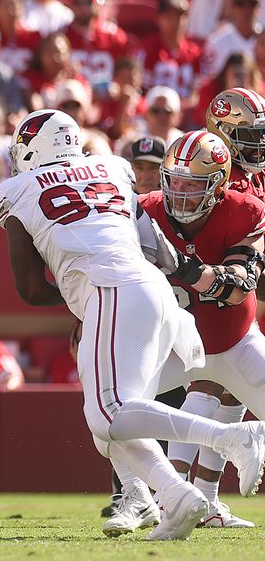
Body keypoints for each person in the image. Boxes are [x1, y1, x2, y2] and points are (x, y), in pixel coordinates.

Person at [0, 108, 265, 541]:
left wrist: (81, 293)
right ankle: (175, 496)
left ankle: (231, 437)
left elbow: (29, 288)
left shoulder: (15, 189)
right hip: (156, 291)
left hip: (120, 293)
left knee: (109, 411)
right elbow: (152, 242)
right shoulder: (112, 168)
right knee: (108, 421)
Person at [133, 131, 265, 531]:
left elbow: (239, 285)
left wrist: (186, 269)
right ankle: (138, 496)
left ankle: (204, 497)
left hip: (233, 342)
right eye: (174, 181)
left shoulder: (245, 211)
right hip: (174, 347)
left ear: (219, 185)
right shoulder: (142, 211)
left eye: (193, 185)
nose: (181, 193)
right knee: (109, 411)